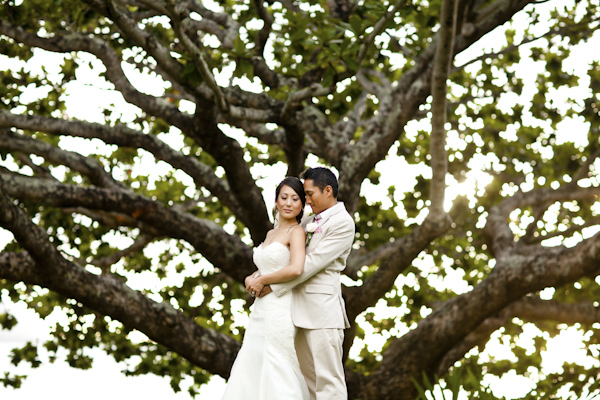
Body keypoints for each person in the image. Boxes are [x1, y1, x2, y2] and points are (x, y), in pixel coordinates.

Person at [251, 167, 355, 400]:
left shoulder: (343, 223)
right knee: (307, 384)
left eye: (309, 194)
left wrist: (270, 286)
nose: (306, 200)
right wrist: (256, 275)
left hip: (323, 313)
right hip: (293, 312)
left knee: (329, 382)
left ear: (327, 191)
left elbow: (310, 264)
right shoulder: (307, 221)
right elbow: (287, 258)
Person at [221, 177, 310, 400]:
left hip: (281, 307)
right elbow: (266, 265)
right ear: (276, 200)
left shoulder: (296, 232)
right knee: (253, 361)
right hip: (261, 308)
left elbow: (296, 268)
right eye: (284, 197)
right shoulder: (271, 234)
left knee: (278, 362)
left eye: (295, 198)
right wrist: (252, 278)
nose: (288, 203)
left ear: (302, 205)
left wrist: (263, 280)